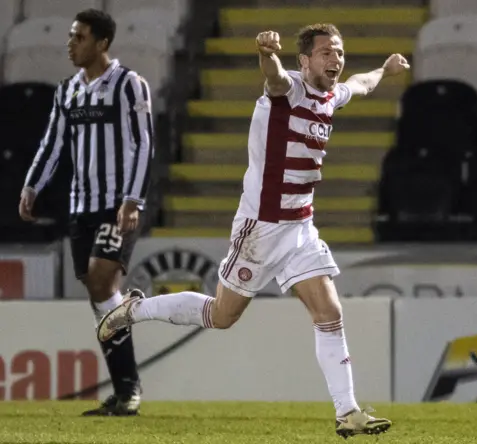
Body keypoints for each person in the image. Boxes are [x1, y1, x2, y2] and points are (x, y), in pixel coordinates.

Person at [97, 24, 408, 436]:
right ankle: (136, 310)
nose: (336, 59)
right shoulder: (288, 89)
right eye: (327, 53)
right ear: (304, 61)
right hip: (260, 227)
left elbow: (360, 84)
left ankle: (347, 411)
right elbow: (274, 77)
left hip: (300, 226)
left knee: (330, 312)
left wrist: (384, 70)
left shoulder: (332, 95)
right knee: (221, 315)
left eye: (339, 52)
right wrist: (266, 53)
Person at [19, 9, 153, 415]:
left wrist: (133, 199)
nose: (70, 43)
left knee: (99, 280)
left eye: (79, 37)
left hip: (116, 206)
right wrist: (32, 184)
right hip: (82, 207)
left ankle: (130, 386)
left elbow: (144, 144)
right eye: (71, 36)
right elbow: (53, 144)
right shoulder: (67, 91)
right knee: (101, 296)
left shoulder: (129, 85)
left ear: (102, 44)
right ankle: (125, 390)